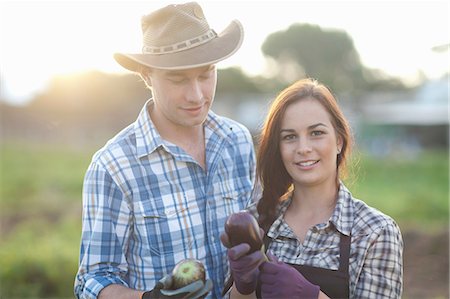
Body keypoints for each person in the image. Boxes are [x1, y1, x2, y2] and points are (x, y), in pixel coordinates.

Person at [74, 2, 256, 299]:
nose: (196, 94)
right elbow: (92, 281)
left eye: (206, 73)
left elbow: (254, 242)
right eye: (178, 79)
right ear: (147, 75)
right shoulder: (113, 167)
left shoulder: (237, 141)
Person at [221, 78, 403, 298]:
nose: (303, 148)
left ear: (339, 141)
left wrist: (311, 295)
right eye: (289, 137)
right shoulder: (255, 220)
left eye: (316, 133)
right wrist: (244, 287)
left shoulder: (375, 231)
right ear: (277, 149)